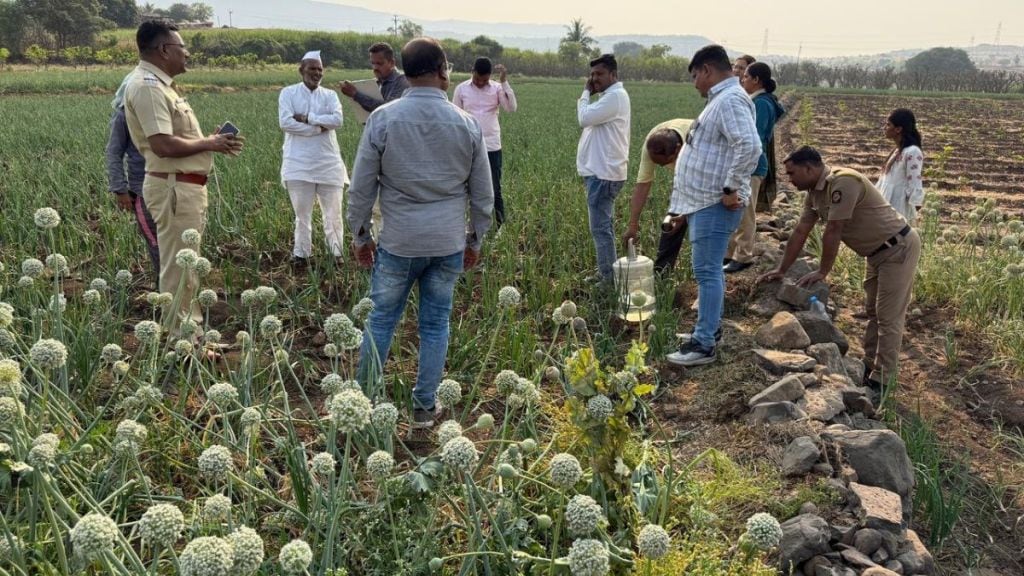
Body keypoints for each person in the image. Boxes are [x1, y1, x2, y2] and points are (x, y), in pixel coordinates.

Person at [348, 37, 493, 429]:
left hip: (398, 241)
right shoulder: (467, 124)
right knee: (435, 324)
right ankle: (425, 409)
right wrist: (475, 240)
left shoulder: (384, 119)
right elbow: (483, 196)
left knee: (381, 321)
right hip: (447, 244)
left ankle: (361, 404)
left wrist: (361, 236)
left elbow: (361, 187)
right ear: (444, 70)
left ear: (406, 71)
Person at [757, 146, 921, 388]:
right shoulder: (814, 193)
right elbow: (801, 230)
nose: (789, 180)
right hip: (876, 253)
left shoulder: (843, 182)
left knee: (888, 315)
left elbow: (834, 230)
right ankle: (869, 363)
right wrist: (782, 268)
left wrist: (823, 271)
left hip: (897, 248)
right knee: (873, 311)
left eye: (792, 174)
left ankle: (884, 379)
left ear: (809, 168)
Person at [124, 20, 244, 338]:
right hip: (173, 187)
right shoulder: (148, 86)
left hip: (183, 186)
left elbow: (174, 138)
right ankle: (183, 340)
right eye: (182, 47)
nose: (187, 54)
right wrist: (209, 143)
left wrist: (208, 140)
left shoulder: (161, 86)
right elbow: (162, 145)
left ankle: (189, 334)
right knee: (180, 268)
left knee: (186, 266)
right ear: (164, 50)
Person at [665, 45, 760, 367]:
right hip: (704, 201)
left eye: (695, 76)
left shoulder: (730, 99)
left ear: (706, 70)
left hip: (714, 203)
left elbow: (749, 145)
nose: (694, 83)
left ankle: (703, 344)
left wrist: (731, 187)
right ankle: (710, 328)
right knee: (707, 271)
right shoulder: (722, 100)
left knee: (707, 272)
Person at [278, 50, 348, 268]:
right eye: (312, 69)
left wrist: (309, 119)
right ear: (301, 70)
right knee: (302, 215)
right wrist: (318, 129)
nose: (316, 73)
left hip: (329, 163)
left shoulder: (330, 96)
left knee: (333, 215)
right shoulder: (288, 93)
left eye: (320, 69)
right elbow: (286, 123)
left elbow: (337, 120)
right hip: (298, 163)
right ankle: (301, 255)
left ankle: (336, 255)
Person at [724, 62, 785, 273]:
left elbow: (753, 139)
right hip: (747, 165)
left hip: (751, 166)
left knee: (744, 213)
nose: (742, 79)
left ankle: (743, 255)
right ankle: (729, 253)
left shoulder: (761, 104)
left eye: (746, 76)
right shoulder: (759, 101)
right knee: (735, 210)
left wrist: (740, 165)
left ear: (757, 80)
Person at [577, 53, 631, 283]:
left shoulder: (615, 97)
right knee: (602, 227)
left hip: (604, 174)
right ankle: (605, 272)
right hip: (601, 173)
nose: (594, 78)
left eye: (599, 74)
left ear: (613, 75)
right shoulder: (611, 96)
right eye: (592, 74)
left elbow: (584, 118)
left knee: (600, 229)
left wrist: (585, 93)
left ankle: (608, 279)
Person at [106, 73, 160, 282]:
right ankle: (164, 291)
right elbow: (113, 152)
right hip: (141, 189)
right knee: (155, 243)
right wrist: (120, 189)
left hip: (168, 185)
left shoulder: (159, 114)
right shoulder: (123, 116)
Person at [621, 119, 692, 274]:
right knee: (671, 224)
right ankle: (662, 273)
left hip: (709, 176)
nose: (661, 167)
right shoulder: (651, 145)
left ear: (678, 150)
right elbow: (643, 185)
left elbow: (702, 186)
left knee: (703, 226)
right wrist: (633, 226)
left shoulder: (696, 139)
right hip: (682, 178)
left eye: (665, 162)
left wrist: (687, 213)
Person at [453, 57, 517, 227]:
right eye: (477, 78)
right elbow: (455, 118)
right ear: (472, 72)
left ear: (490, 76)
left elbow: (511, 108)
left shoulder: (497, 88)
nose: (481, 82)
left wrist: (504, 83)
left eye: (484, 79)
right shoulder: (461, 89)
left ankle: (500, 225)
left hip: (492, 146)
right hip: (468, 147)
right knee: (466, 188)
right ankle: (469, 225)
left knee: (495, 188)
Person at [876, 108, 924, 225]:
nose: (885, 128)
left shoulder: (912, 152)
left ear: (898, 129)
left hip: (900, 207)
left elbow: (914, 182)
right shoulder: (897, 151)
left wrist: (913, 211)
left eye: (888, 124)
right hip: (887, 205)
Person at [340, 42, 410, 113]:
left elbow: (388, 109)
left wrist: (356, 94)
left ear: (392, 63)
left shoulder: (402, 81)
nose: (375, 67)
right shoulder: (376, 82)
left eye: (379, 63)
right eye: (372, 63)